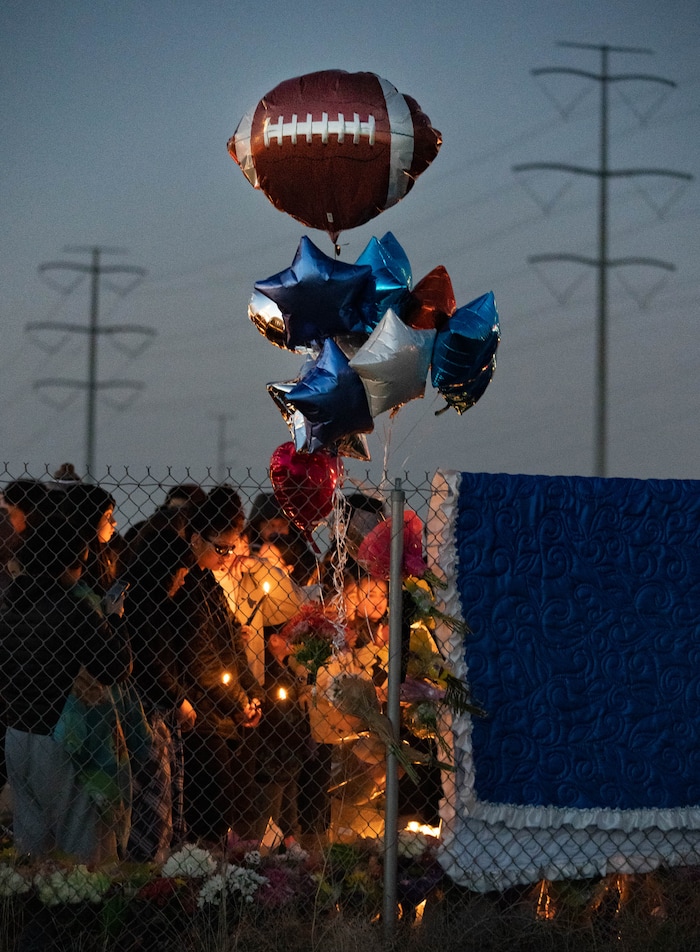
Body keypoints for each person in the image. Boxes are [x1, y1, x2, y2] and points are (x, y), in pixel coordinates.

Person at [0, 516, 132, 863]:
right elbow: (113, 665)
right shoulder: (72, 606)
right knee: (81, 846)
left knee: (33, 845)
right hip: (60, 735)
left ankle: (29, 912)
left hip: (17, 731)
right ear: (69, 564)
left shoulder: (13, 602)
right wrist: (114, 619)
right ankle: (81, 915)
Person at [173, 486, 263, 845]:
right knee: (209, 819)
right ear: (196, 538)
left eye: (232, 547)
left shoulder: (210, 583)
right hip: (201, 719)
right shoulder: (187, 585)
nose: (227, 556)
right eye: (220, 548)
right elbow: (202, 660)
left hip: (221, 715)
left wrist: (253, 694)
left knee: (224, 813)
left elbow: (231, 648)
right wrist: (237, 701)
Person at [120, 527, 196, 860]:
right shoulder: (147, 606)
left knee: (159, 798)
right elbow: (153, 661)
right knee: (153, 800)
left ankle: (155, 867)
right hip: (145, 716)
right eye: (180, 573)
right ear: (167, 568)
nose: (183, 581)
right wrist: (177, 698)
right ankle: (148, 871)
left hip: (153, 711)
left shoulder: (146, 600)